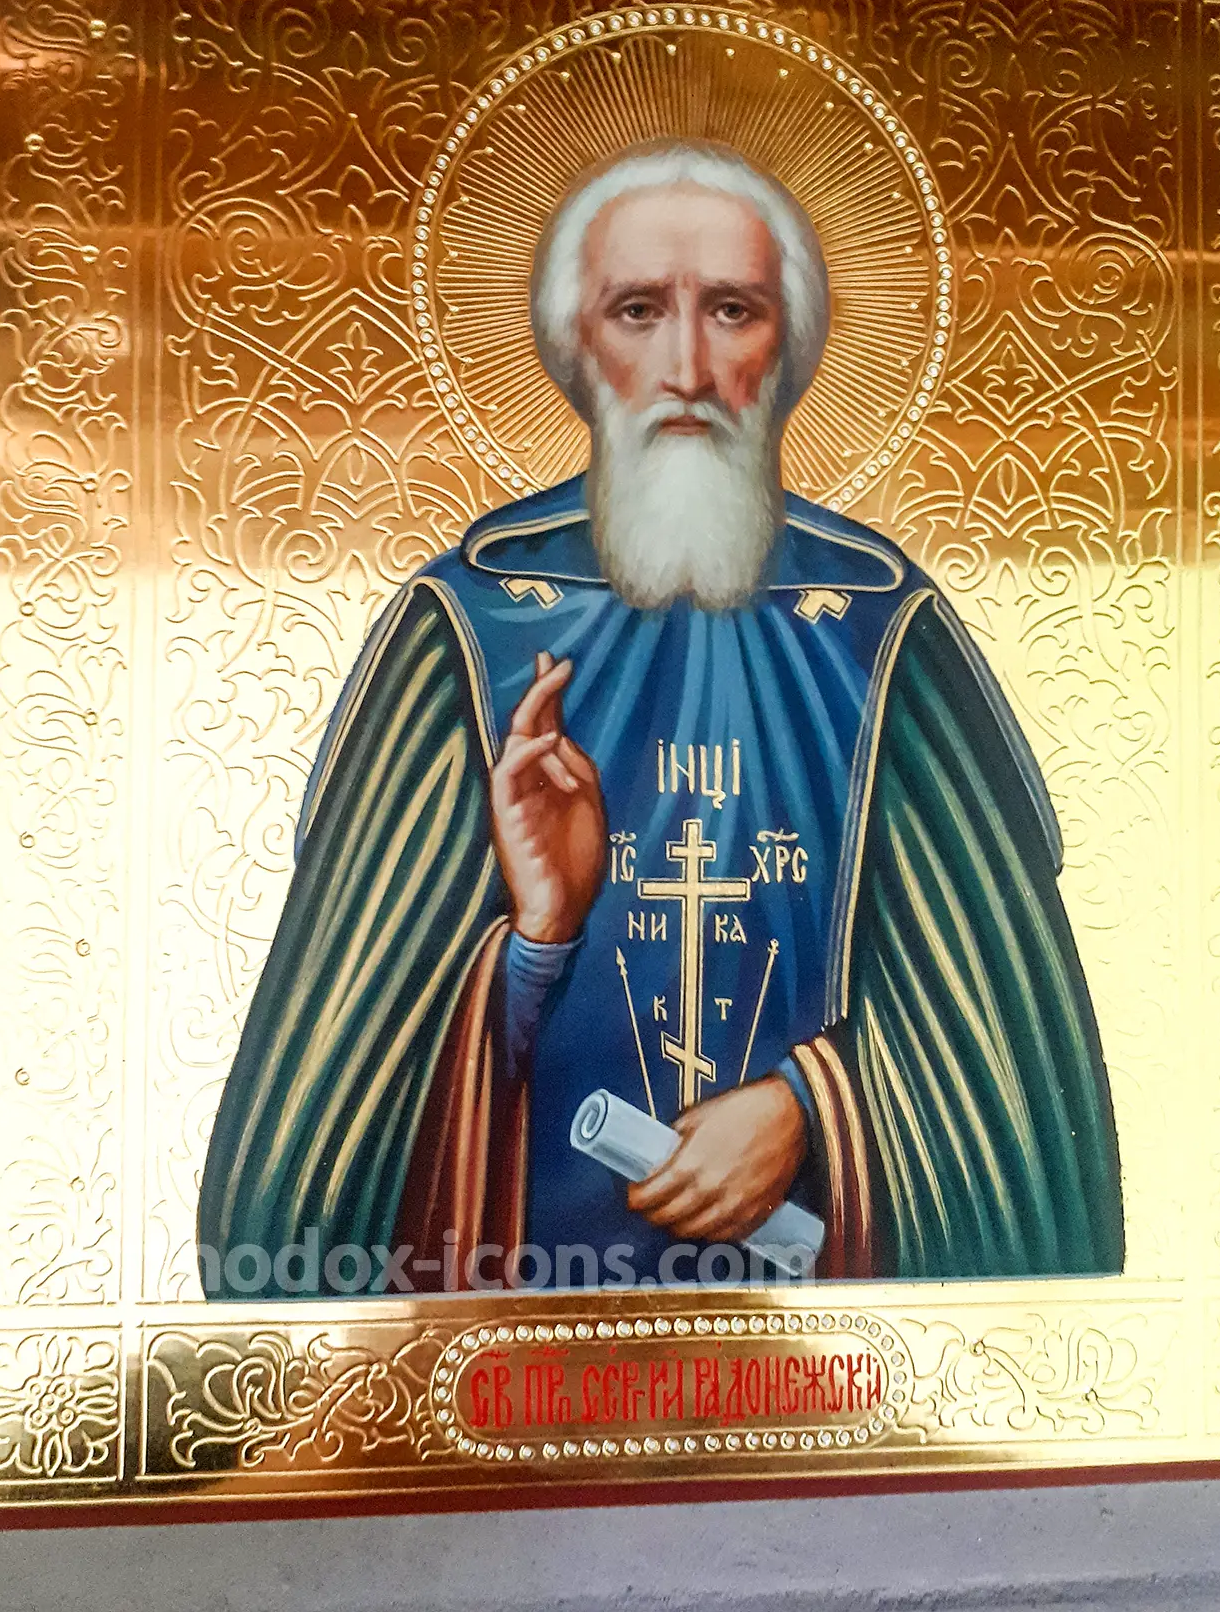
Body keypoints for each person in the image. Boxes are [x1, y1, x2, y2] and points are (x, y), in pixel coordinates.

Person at [198, 139, 1123, 1292]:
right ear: (574, 348)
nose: (685, 365)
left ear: (787, 347)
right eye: (637, 310)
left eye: (731, 309)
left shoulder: (883, 634)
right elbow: (325, 1138)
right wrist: (535, 941)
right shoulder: (467, 628)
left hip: (830, 1358)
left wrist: (812, 1107)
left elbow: (1004, 1073)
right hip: (515, 1346)